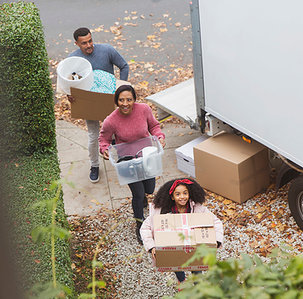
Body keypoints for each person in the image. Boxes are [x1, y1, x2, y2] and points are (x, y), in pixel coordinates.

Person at [99, 84, 165, 244]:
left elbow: (154, 126)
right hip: (127, 161)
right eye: (121, 100)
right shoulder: (111, 120)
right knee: (138, 194)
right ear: (116, 101)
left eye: (129, 99)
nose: (125, 103)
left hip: (146, 156)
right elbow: (104, 139)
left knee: (149, 189)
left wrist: (160, 136)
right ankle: (139, 224)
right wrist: (104, 149)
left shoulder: (144, 110)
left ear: (134, 99)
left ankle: (143, 198)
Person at [68, 27, 129, 183]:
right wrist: (70, 95)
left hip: (109, 99)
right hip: (90, 104)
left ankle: (122, 159)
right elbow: (69, 82)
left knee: (117, 133)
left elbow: (124, 66)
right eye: (84, 43)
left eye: (90, 41)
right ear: (76, 43)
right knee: (93, 137)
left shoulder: (106, 50)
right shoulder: (73, 59)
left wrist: (120, 88)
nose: (89, 45)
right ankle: (94, 165)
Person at [140, 178, 224, 283]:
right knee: (176, 267)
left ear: (190, 194)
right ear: (172, 197)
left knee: (197, 272)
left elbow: (216, 222)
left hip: (194, 249)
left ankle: (199, 288)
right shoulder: (161, 212)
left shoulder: (198, 209)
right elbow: (145, 228)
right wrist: (151, 246)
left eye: (185, 193)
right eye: (178, 194)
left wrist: (216, 240)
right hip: (173, 250)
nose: (182, 197)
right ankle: (182, 281)